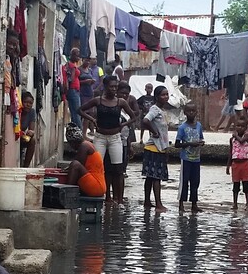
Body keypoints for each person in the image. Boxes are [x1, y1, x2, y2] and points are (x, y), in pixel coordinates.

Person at [81, 74, 136, 203]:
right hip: (100, 136)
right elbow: (81, 110)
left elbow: (133, 116)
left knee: (118, 169)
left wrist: (123, 124)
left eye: (115, 87)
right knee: (99, 166)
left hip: (115, 137)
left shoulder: (120, 102)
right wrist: (92, 120)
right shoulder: (97, 101)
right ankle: (104, 196)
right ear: (105, 87)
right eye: (111, 87)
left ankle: (119, 198)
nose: (114, 89)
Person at [140, 84, 173, 212]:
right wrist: (154, 132)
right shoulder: (155, 109)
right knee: (156, 177)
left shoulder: (162, 111)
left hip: (159, 147)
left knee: (150, 177)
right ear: (157, 97)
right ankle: (158, 204)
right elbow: (146, 120)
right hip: (154, 148)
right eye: (163, 94)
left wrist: (166, 149)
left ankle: (147, 202)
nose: (165, 97)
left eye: (167, 94)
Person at [176, 104, 206, 211]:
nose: (191, 113)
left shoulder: (199, 126)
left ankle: (194, 204)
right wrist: (189, 144)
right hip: (186, 159)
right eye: (189, 111)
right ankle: (181, 204)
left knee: (195, 182)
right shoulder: (182, 128)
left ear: (196, 112)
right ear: (185, 113)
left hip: (196, 159)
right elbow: (177, 144)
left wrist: (201, 143)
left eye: (193, 111)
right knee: (184, 181)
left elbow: (201, 138)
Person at [64, 126, 107, 199]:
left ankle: (67, 194)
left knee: (75, 164)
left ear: (73, 143)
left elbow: (76, 166)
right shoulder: (88, 144)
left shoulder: (84, 146)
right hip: (100, 186)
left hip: (96, 186)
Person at [228, 112, 248, 213]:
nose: (240, 128)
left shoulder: (246, 136)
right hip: (235, 164)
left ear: (246, 127)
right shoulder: (232, 140)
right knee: (235, 186)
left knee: (246, 185)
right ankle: (235, 203)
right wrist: (228, 166)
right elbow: (231, 153)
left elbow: (242, 141)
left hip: (245, 163)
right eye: (238, 126)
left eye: (242, 126)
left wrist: (235, 136)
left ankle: (247, 203)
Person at [60, 47, 85, 133]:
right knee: (77, 112)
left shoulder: (69, 65)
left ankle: (76, 132)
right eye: (77, 56)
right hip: (73, 90)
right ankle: (80, 132)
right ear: (73, 55)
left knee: (74, 113)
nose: (79, 58)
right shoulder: (72, 66)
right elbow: (71, 79)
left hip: (72, 91)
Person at [18, 90, 39, 168]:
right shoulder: (18, 110)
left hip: (22, 136)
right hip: (15, 136)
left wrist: (30, 132)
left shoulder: (32, 112)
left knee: (32, 140)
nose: (28, 105)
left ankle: (26, 167)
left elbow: (31, 129)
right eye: (26, 102)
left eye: (30, 103)